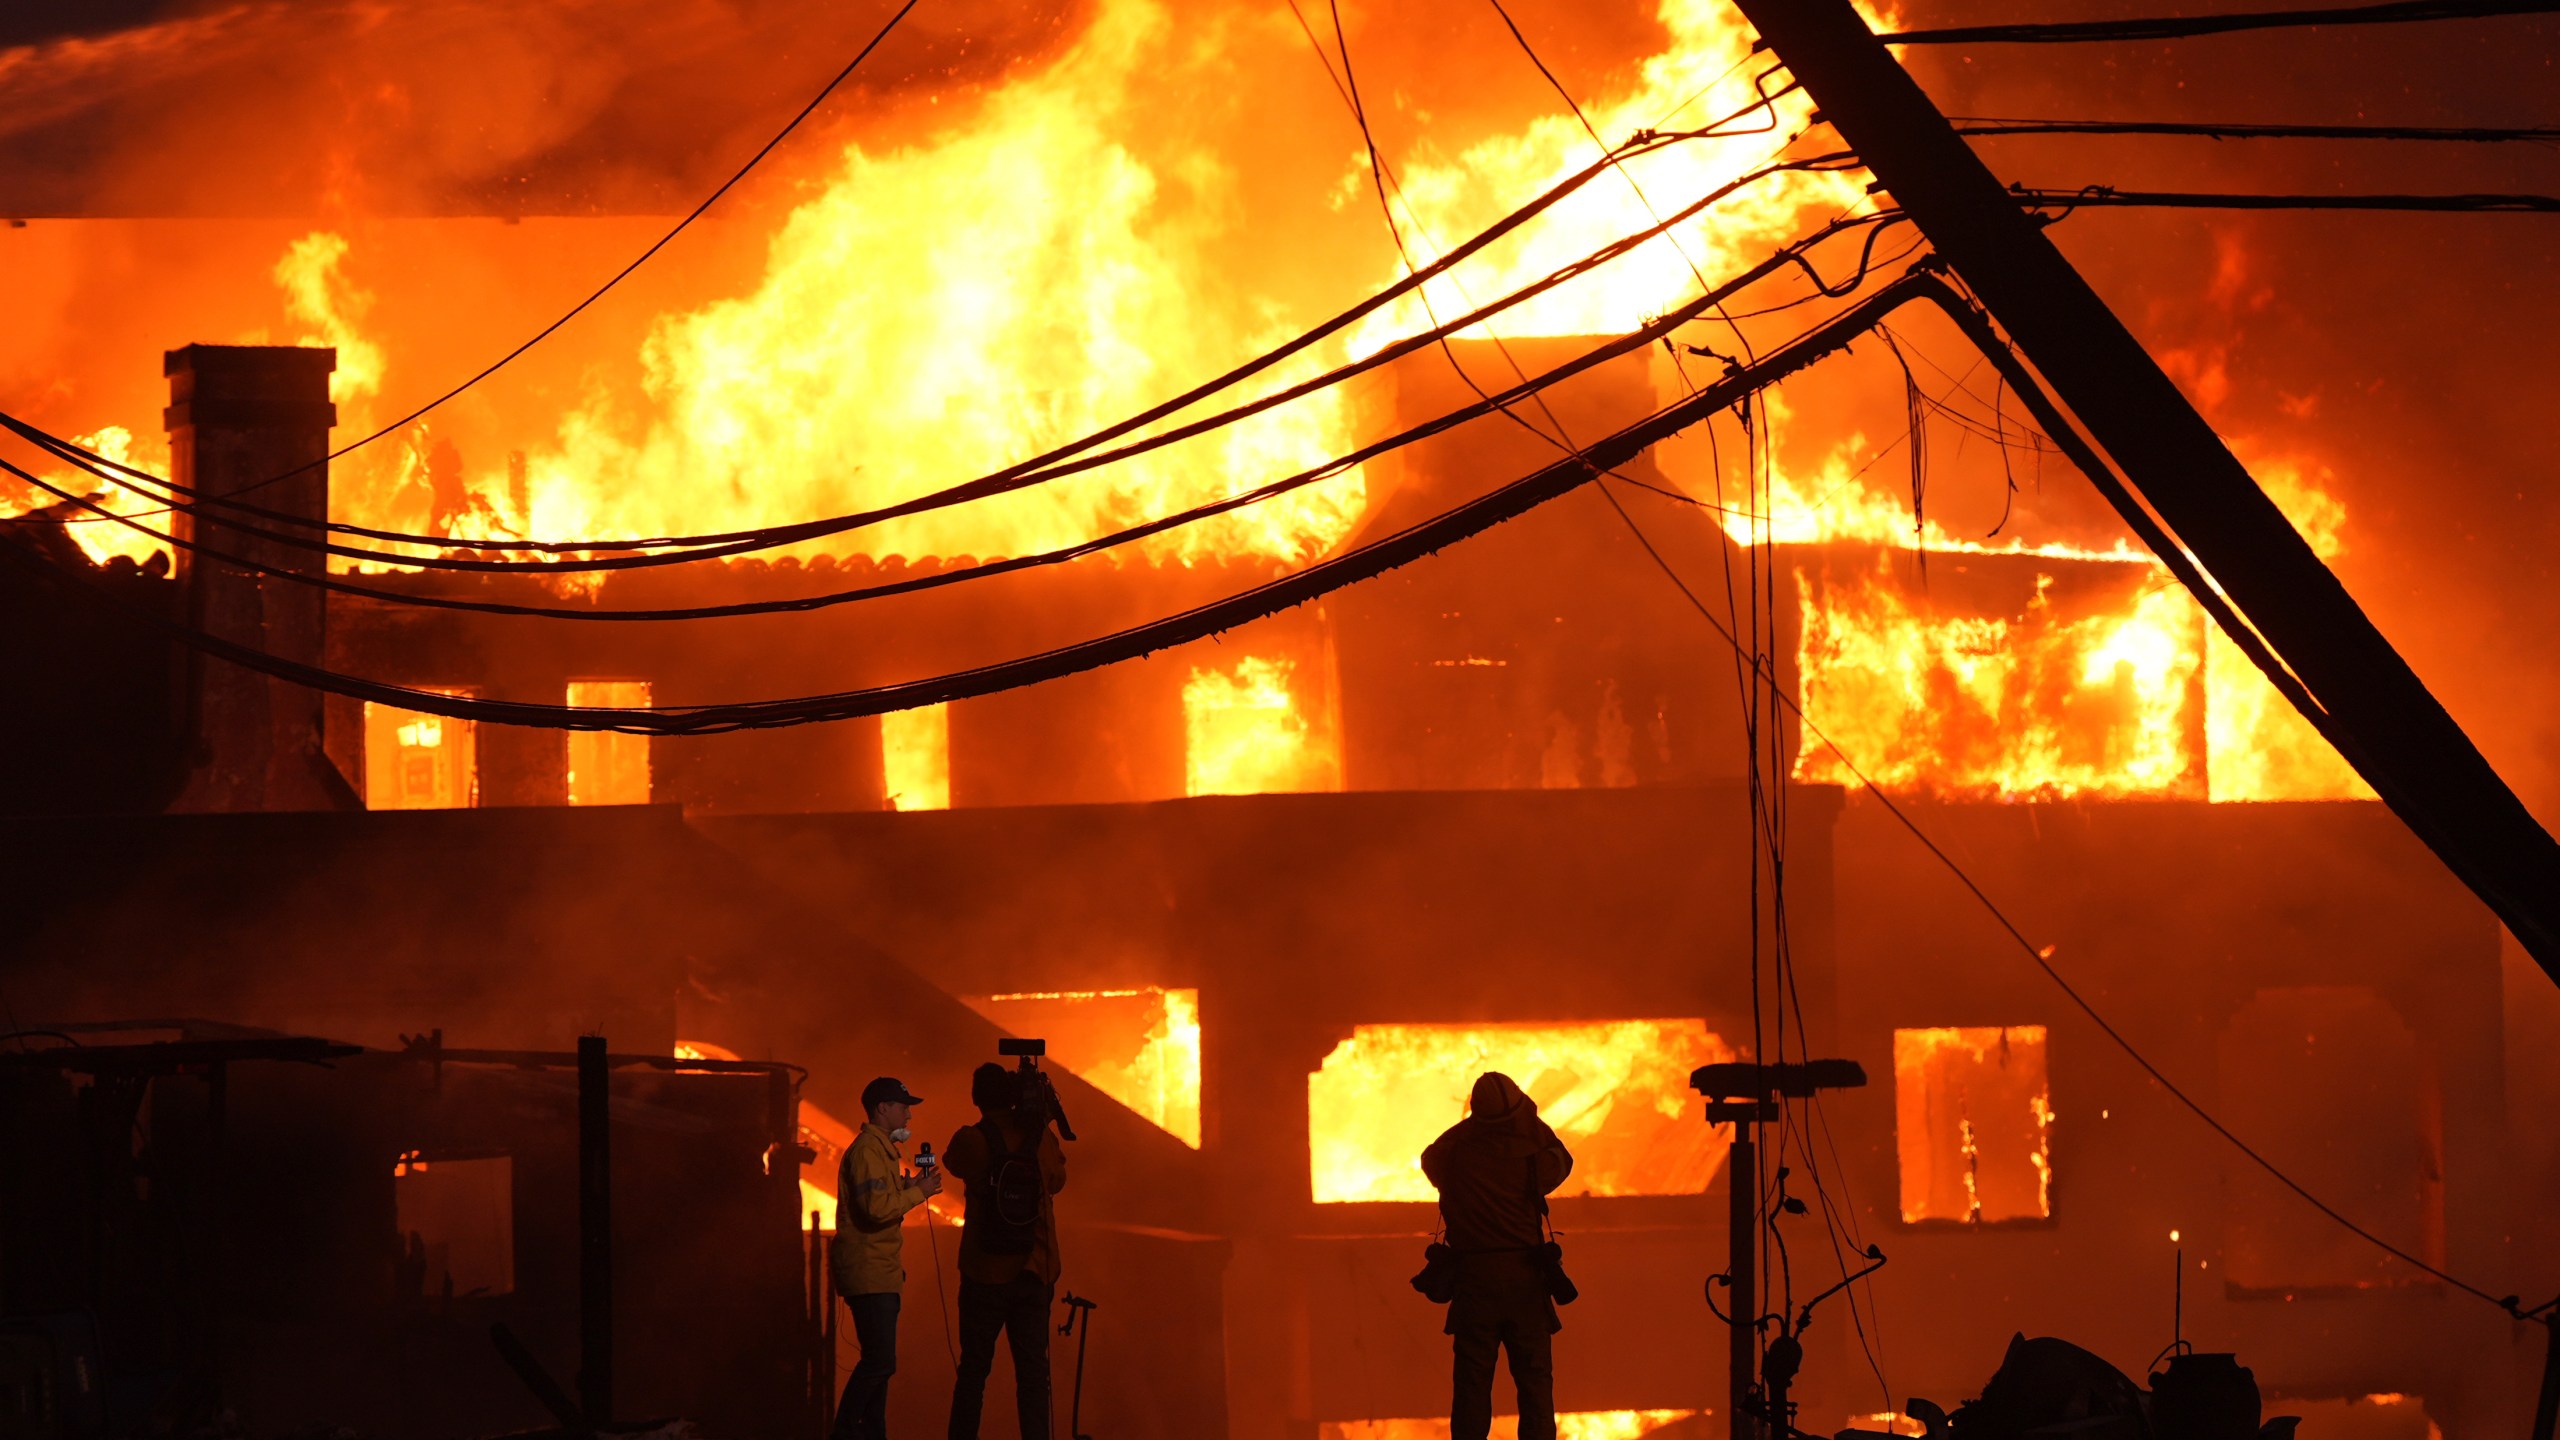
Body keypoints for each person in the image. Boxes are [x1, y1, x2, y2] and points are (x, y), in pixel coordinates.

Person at [1421, 1071, 1575, 1440]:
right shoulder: (1535, 1161)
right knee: (1535, 1385)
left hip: (1474, 1283)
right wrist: (1527, 1120)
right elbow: (1563, 1159)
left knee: (1472, 1386)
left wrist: (1471, 1127)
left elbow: (1430, 1157)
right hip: (1524, 1282)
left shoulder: (1454, 1157)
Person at [944, 1062, 1069, 1440]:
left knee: (973, 1372)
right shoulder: (1041, 1140)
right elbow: (1058, 1180)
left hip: (985, 1272)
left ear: (976, 1098)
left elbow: (949, 1163)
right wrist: (1039, 1125)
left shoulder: (971, 1140)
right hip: (1034, 1269)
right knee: (1033, 1373)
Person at [832, 1076, 943, 1440]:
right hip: (870, 1274)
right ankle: (844, 1432)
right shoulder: (867, 1151)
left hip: (878, 1273)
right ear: (883, 1108)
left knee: (878, 1367)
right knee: (880, 1363)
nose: (908, 1115)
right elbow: (876, 1210)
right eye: (903, 1106)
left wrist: (905, 1188)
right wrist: (919, 1193)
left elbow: (877, 1200)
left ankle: (871, 1435)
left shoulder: (879, 1151)